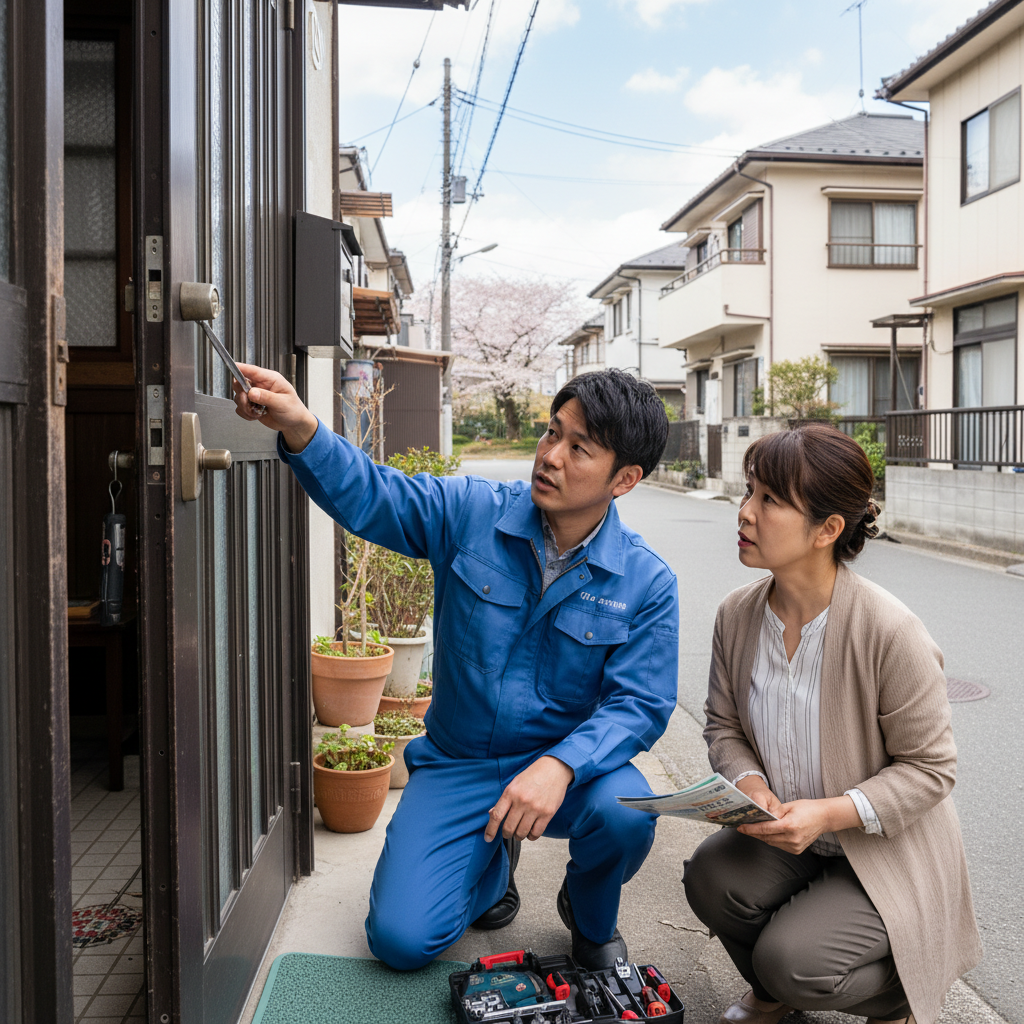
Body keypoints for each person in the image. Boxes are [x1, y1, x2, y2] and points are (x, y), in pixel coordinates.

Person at [232, 364, 679, 970]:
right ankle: (492, 871)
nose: (550, 456)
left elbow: (641, 705)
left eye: (580, 449)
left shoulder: (646, 580)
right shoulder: (471, 511)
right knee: (400, 941)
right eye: (552, 434)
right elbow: (373, 494)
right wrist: (302, 427)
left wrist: (561, 764)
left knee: (626, 812)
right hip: (460, 763)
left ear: (624, 478)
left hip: (568, 776)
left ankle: (590, 915)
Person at [682, 424, 981, 1024]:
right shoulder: (736, 615)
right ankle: (772, 996)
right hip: (787, 833)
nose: (744, 512)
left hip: (881, 846)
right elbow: (723, 727)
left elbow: (931, 769)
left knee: (793, 959)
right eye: (748, 492)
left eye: (769, 500)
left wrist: (829, 812)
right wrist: (750, 787)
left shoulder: (889, 632)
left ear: (828, 529)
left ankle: (900, 997)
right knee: (711, 878)